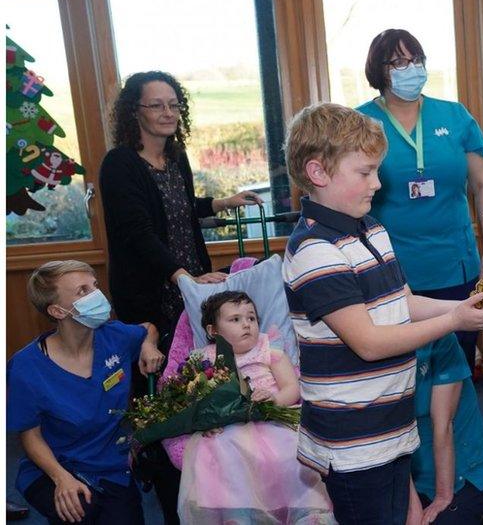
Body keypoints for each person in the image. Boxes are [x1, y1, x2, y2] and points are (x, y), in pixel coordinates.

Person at [281, 102, 483, 524]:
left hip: (390, 423)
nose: (377, 182)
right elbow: (368, 342)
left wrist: (462, 308)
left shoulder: (371, 228)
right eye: (365, 172)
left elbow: (401, 303)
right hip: (352, 441)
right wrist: (456, 321)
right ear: (318, 173)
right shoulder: (315, 251)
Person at [98, 70, 262, 522]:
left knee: (201, 389)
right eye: (157, 105)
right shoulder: (119, 164)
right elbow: (137, 231)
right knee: (162, 398)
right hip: (152, 299)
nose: (168, 113)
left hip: (190, 294)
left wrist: (218, 205)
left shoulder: (176, 158)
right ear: (135, 112)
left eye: (174, 104)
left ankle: (209, 486)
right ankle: (169, 491)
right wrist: (180, 275)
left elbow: (178, 209)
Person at [357, 29, 483, 373]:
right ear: (380, 69)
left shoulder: (455, 117)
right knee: (401, 375)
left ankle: (451, 430)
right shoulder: (359, 123)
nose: (411, 68)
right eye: (399, 62)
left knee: (455, 372)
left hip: (455, 265)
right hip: (388, 272)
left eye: (416, 60)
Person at [7, 260, 165, 524]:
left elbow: (148, 328)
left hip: (110, 463)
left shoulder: (114, 336)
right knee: (80, 512)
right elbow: (30, 437)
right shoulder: (26, 367)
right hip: (54, 466)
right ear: (58, 311)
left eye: (95, 286)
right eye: (83, 291)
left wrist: (148, 345)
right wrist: (61, 478)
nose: (98, 295)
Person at [175, 291, 334, 524]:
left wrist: (273, 400)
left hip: (271, 419)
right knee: (222, 450)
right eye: (235, 320)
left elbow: (292, 387)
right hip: (229, 424)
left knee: (291, 452)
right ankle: (238, 515)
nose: (247, 324)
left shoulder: (269, 350)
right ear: (213, 331)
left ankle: (306, 512)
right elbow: (192, 398)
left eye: (251, 318)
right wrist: (206, 420)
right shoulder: (204, 359)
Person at [410, 334, 483, 524]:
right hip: (409, 477)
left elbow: (442, 426)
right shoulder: (372, 348)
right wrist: (411, 504)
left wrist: (443, 496)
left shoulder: (440, 340)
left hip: (464, 476)